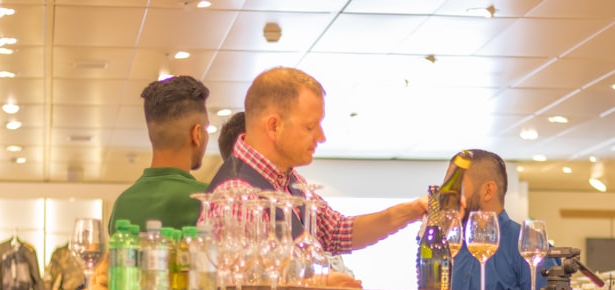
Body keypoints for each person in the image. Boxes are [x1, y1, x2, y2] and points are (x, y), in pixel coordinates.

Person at [207, 67, 426, 277]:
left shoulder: (289, 179)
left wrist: (412, 210)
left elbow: (338, 232)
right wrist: (320, 281)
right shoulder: (235, 192)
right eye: (310, 127)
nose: (321, 137)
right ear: (274, 126)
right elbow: (245, 281)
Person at [447, 149, 558, 290]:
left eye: (455, 185)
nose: (447, 193)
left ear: (488, 191)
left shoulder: (530, 246)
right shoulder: (451, 243)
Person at [108, 75, 211, 234]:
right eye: (206, 129)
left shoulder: (122, 204)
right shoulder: (207, 200)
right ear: (196, 134)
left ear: (151, 135)